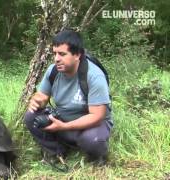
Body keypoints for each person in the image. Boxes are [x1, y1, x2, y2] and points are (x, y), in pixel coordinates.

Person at [24, 29, 113, 166]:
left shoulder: (94, 76)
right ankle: (56, 151)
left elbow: (97, 116)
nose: (56, 58)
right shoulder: (53, 70)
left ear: (77, 54)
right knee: (31, 116)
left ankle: (97, 157)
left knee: (93, 140)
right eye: (55, 53)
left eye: (62, 54)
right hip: (62, 120)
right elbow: (41, 95)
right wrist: (37, 101)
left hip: (89, 124)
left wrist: (64, 126)